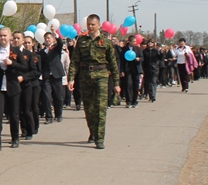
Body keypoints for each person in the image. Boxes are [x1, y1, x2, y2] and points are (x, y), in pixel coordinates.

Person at [67, 14, 121, 150]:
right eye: (89, 24)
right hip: (85, 76)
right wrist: (71, 78)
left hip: (101, 76)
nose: (90, 27)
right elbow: (75, 61)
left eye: (93, 24)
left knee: (100, 108)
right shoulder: (82, 41)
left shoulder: (106, 42)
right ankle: (93, 132)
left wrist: (116, 83)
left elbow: (113, 64)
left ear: (99, 25)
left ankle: (100, 138)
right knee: (89, 108)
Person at [0, 27, 26, 149]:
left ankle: (15, 138)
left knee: (14, 114)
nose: (3, 38)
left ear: (10, 37)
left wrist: (12, 63)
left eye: (5, 36)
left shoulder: (16, 51)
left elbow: (24, 67)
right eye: (1, 36)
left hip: (12, 86)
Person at [40, 31, 65, 123]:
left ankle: (58, 114)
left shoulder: (56, 48)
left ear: (53, 39)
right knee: (46, 96)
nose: (47, 40)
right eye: (46, 38)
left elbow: (60, 44)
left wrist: (57, 36)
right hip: (47, 76)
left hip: (56, 75)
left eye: (49, 38)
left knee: (58, 96)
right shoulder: (42, 52)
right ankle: (49, 116)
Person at [120, 36, 143, 108]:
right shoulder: (124, 49)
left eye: (135, 41)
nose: (135, 43)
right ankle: (128, 101)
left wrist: (139, 59)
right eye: (133, 41)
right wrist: (121, 70)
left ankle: (134, 101)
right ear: (129, 41)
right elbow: (121, 61)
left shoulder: (138, 49)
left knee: (136, 85)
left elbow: (142, 58)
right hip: (127, 69)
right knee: (128, 84)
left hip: (136, 69)